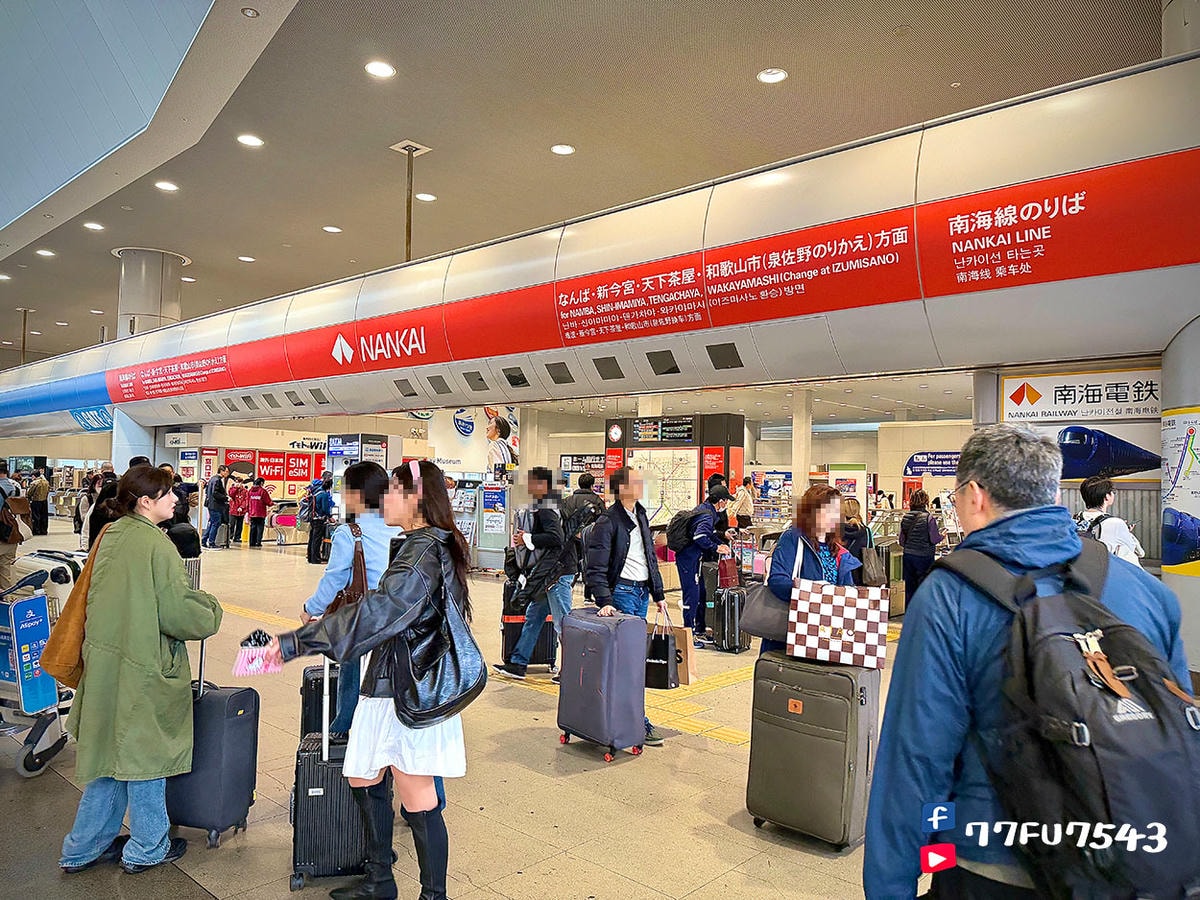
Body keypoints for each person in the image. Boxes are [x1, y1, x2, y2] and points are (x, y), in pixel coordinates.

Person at [863, 424, 1190, 899]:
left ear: (975, 495)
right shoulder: (1148, 594)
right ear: (1052, 493)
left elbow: (916, 759)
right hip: (1130, 860)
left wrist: (892, 885)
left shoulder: (949, 596)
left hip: (990, 867)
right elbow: (1177, 730)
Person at [265, 460, 469, 900]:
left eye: (393, 490)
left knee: (417, 797)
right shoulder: (415, 545)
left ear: (415, 498)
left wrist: (297, 642)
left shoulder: (422, 552)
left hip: (407, 688)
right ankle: (379, 879)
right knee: (361, 774)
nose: (385, 499)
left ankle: (432, 895)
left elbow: (379, 612)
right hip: (389, 679)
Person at [59, 465, 222, 875]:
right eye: (168, 493)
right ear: (146, 501)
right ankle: (147, 847)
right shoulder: (156, 545)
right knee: (145, 759)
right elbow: (179, 613)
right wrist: (211, 608)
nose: (176, 499)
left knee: (108, 760)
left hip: (105, 664)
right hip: (143, 665)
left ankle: (81, 848)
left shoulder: (111, 534)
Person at [300, 462, 400, 734]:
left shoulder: (349, 532)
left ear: (357, 494)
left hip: (366, 614)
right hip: (397, 611)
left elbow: (335, 579)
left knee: (350, 658)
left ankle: (345, 724)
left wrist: (311, 608)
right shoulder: (398, 526)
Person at [584, 465, 668, 747]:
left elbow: (649, 557)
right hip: (622, 594)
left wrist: (658, 593)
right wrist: (605, 601)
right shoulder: (608, 521)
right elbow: (596, 566)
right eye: (635, 481)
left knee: (632, 662)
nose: (641, 484)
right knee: (627, 664)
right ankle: (635, 722)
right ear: (621, 488)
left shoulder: (640, 514)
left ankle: (628, 720)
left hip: (641, 593)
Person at [493, 466, 571, 680]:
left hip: (556, 574)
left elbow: (556, 538)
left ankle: (571, 670)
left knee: (563, 624)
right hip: (547, 574)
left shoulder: (547, 507)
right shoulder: (548, 505)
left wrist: (526, 538)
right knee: (533, 618)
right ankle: (518, 663)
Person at [764, 484, 861, 654]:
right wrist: (814, 590)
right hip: (792, 634)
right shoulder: (793, 538)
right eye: (827, 510)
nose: (833, 516)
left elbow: (847, 590)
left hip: (826, 634)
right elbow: (777, 580)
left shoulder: (838, 550)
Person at [675, 484, 735, 649]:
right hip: (688, 560)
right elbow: (699, 536)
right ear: (720, 501)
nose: (726, 504)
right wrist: (716, 547)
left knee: (701, 593)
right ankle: (689, 634)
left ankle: (699, 630)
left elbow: (709, 533)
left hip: (694, 559)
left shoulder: (705, 510)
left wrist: (722, 539)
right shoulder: (707, 515)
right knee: (691, 596)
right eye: (726, 501)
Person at [1076, 475, 1145, 568]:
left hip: (1080, 569)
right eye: (1113, 492)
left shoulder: (1074, 519)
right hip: (1102, 572)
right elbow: (1139, 552)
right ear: (1106, 497)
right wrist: (1126, 532)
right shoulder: (1116, 523)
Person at [898, 489, 942, 605]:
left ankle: (909, 612)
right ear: (925, 501)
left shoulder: (905, 517)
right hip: (924, 557)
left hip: (908, 556)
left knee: (909, 588)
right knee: (923, 588)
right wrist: (942, 536)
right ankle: (921, 613)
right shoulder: (929, 518)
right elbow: (934, 539)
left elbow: (902, 541)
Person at [559, 472, 606, 579]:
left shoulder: (568, 500)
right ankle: (587, 584)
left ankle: (573, 580)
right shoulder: (597, 500)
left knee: (572, 564)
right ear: (592, 486)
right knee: (588, 562)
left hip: (571, 538)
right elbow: (603, 521)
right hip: (590, 537)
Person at [0, 462, 22, 590]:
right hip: (12, 534)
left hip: (1, 534)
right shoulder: (16, 487)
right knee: (5, 570)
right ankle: (6, 598)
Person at [840, 497, 870, 586]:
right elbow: (870, 551)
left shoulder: (835, 530)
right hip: (861, 573)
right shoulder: (866, 531)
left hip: (842, 571)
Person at [306, 476, 334, 564]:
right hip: (319, 519)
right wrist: (330, 517)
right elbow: (325, 508)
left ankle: (310, 557)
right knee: (317, 539)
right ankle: (316, 559)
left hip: (312, 518)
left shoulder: (316, 493)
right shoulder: (324, 494)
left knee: (312, 538)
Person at [202, 465, 231, 550]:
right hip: (216, 505)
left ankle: (204, 541)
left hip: (211, 504)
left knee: (212, 523)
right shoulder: (217, 480)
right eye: (226, 471)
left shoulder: (212, 479)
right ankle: (211, 543)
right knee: (215, 523)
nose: (227, 473)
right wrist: (225, 497)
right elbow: (215, 493)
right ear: (221, 471)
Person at [246, 477, 272, 547]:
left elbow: (247, 501)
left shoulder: (250, 491)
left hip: (252, 512)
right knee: (260, 528)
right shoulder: (262, 491)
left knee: (253, 527)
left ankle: (252, 542)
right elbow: (268, 501)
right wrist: (272, 504)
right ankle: (258, 542)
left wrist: (248, 511)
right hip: (260, 513)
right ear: (261, 483)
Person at [27, 468, 50, 535]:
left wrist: (28, 497)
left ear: (34, 476)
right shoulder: (46, 482)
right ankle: (44, 530)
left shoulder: (34, 483)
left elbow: (29, 493)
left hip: (36, 501)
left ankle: (36, 530)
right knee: (44, 516)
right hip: (44, 501)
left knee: (36, 516)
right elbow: (48, 490)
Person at [228, 478, 249, 545]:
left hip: (241, 511)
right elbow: (231, 495)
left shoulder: (245, 491)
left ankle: (237, 537)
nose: (239, 484)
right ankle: (229, 537)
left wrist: (242, 507)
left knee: (239, 525)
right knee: (231, 524)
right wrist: (235, 488)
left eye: (240, 482)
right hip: (233, 510)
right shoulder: (232, 489)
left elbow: (246, 500)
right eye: (237, 482)